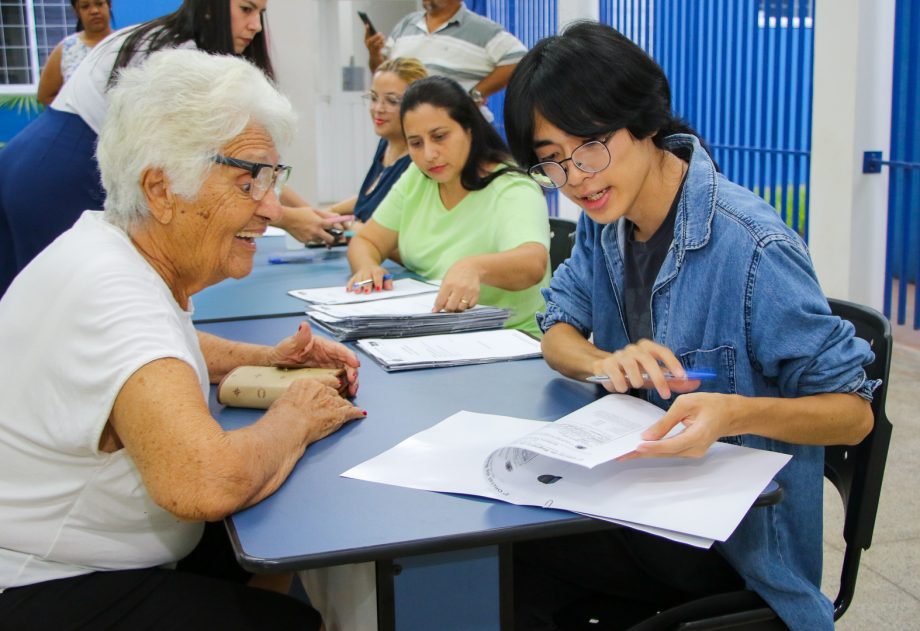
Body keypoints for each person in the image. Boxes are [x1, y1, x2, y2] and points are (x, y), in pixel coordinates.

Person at [502, 22, 877, 631]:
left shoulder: (750, 245)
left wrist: (733, 414)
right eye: (553, 162)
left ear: (645, 120)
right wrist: (600, 360)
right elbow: (557, 328)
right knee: (500, 552)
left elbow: (853, 413)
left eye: (591, 145)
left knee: (510, 569)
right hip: (643, 503)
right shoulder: (607, 223)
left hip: (733, 545)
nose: (578, 180)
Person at [0, 49, 364, 630]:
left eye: (272, 179)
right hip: (43, 582)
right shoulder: (114, 296)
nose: (270, 208)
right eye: (249, 180)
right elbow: (205, 482)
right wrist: (296, 415)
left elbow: (159, 354)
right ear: (162, 190)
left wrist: (267, 359)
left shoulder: (106, 251)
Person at [0, 0, 340, 298]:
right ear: (210, 6)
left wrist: (306, 212)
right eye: (246, 9)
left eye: (260, 13)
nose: (254, 25)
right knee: (66, 303)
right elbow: (226, 171)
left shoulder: (170, 42)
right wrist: (291, 218)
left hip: (34, 157)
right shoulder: (178, 60)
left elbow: (249, 167)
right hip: (58, 171)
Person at [346, 75, 550, 337]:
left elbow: (533, 263)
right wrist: (367, 268)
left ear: (470, 129)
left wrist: (474, 267)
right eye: (416, 143)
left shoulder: (512, 188)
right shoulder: (417, 178)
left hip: (511, 341)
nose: (429, 154)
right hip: (437, 336)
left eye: (440, 136)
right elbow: (366, 241)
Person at [308, 57, 428, 227]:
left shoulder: (418, 164)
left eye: (392, 101)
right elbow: (370, 196)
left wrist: (352, 228)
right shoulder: (386, 144)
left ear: (418, 105)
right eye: (373, 98)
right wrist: (329, 212)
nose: (378, 108)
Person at [364, 1, 526, 113]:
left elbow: (520, 61)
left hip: (457, 129)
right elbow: (383, 72)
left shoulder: (482, 29)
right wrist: (374, 54)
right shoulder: (406, 25)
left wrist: (475, 95)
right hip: (408, 127)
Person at [36, 0, 114, 106]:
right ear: (77, 11)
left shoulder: (126, 44)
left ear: (109, 5)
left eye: (99, 4)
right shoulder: (67, 48)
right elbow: (44, 96)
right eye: (85, 6)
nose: (94, 11)